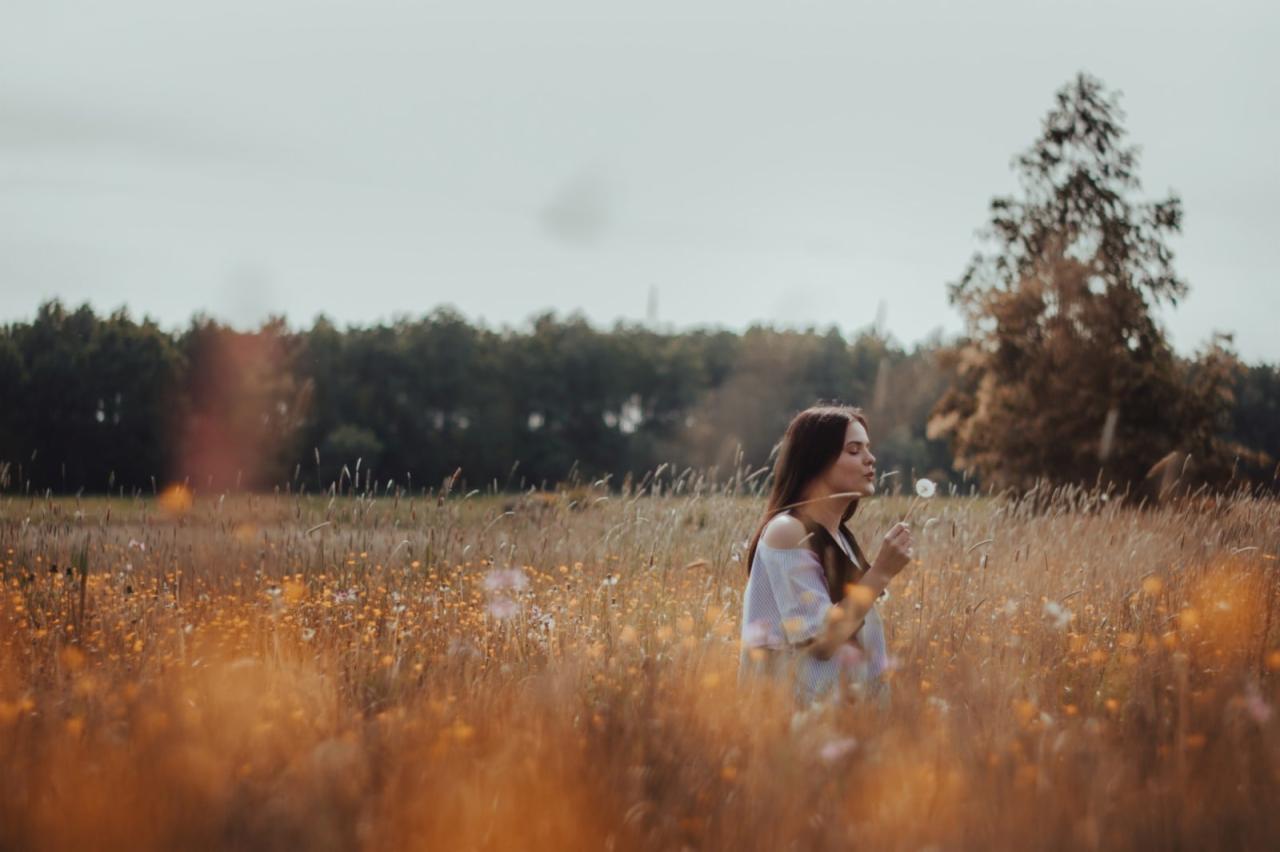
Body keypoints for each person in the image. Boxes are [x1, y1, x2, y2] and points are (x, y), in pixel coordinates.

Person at [739, 404, 914, 708]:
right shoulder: (787, 531)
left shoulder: (841, 537)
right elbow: (820, 640)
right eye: (854, 450)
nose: (870, 459)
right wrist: (882, 572)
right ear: (816, 459)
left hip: (840, 721)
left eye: (867, 449)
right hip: (793, 726)